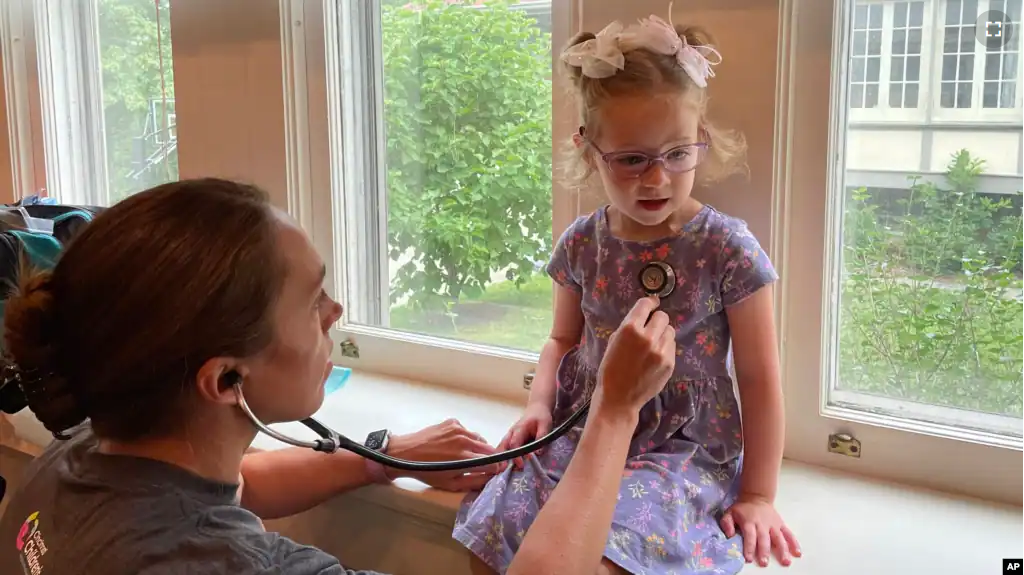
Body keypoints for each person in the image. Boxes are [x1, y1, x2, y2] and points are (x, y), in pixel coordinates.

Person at [0, 177, 678, 575]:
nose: (336, 312)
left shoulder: (77, 455)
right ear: (225, 379)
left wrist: (378, 460)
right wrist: (613, 411)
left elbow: (235, 483)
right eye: (311, 300)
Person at [453, 13, 802, 575]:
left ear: (701, 141)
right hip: (585, 429)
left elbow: (760, 377)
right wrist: (538, 405)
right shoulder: (582, 244)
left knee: (613, 551)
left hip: (681, 449)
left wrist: (758, 494)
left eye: (676, 154)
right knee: (496, 525)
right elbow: (560, 339)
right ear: (590, 152)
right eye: (633, 159)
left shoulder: (726, 248)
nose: (657, 179)